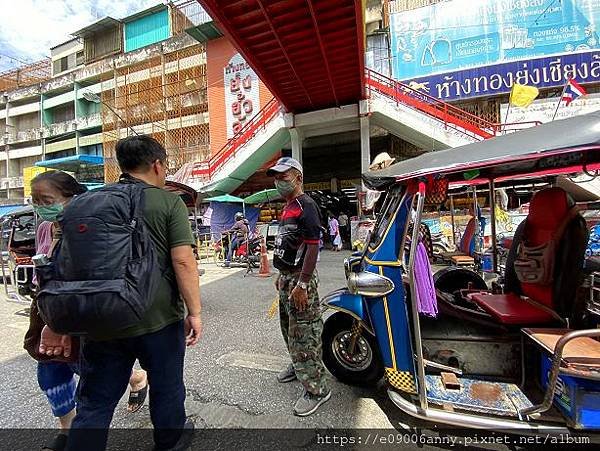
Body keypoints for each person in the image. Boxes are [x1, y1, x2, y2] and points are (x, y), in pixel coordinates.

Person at [38, 136, 202, 451]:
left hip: (98, 318)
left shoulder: (82, 203)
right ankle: (169, 443)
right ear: (158, 165)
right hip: (157, 319)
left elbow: (63, 265)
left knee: (95, 402)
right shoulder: (167, 201)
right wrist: (194, 312)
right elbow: (183, 260)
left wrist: (57, 322)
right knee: (167, 388)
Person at [27, 171, 148, 451]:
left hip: (82, 309)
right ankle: (68, 429)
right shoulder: (45, 228)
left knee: (88, 370)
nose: (40, 206)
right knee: (50, 373)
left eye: (46, 200)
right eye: (35, 200)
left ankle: (135, 377)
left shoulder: (93, 224)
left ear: (73, 197)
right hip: (49, 306)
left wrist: (61, 323)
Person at [268, 156, 331, 417]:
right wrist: (281, 274)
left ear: (298, 178)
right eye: (277, 177)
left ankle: (317, 388)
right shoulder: (288, 206)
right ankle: (299, 365)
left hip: (300, 281)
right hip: (287, 279)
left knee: (304, 333)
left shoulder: (306, 205)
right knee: (289, 329)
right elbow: (289, 246)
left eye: (284, 176)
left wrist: (303, 283)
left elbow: (313, 247)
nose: (279, 181)